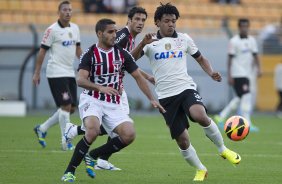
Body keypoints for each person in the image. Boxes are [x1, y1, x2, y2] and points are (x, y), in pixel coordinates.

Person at [131, 3, 241, 182]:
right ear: (157, 22)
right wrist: (142, 43)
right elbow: (130, 60)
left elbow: (201, 58)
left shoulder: (184, 39)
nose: (171, 24)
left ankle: (223, 149)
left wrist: (211, 72)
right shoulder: (150, 42)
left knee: (200, 115)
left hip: (185, 88)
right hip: (166, 97)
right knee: (182, 140)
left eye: (173, 21)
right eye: (166, 21)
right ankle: (200, 169)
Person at [61, 18, 165, 182]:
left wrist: (152, 99)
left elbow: (138, 76)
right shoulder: (90, 54)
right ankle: (69, 171)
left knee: (129, 134)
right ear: (99, 33)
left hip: (113, 103)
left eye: (115, 31)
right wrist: (100, 88)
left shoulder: (122, 54)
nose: (114, 34)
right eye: (110, 32)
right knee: (93, 131)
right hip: (92, 99)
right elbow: (80, 80)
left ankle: (93, 155)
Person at [32, 0, 82, 151]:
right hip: (56, 73)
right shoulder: (51, 30)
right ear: (59, 12)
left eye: (70, 10)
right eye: (65, 10)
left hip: (69, 72)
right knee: (66, 105)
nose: (68, 12)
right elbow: (42, 51)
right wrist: (36, 72)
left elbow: (78, 49)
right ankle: (65, 142)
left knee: (71, 108)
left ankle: (42, 128)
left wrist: (86, 64)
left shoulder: (75, 28)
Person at [214, 18, 262, 132]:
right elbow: (229, 59)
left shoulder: (252, 41)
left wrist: (259, 68)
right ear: (239, 27)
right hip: (238, 73)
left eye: (246, 26)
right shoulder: (234, 41)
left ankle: (220, 116)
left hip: (248, 73)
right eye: (242, 26)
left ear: (248, 27)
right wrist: (230, 75)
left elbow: (255, 55)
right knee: (246, 96)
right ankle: (248, 122)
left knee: (240, 97)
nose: (244, 28)